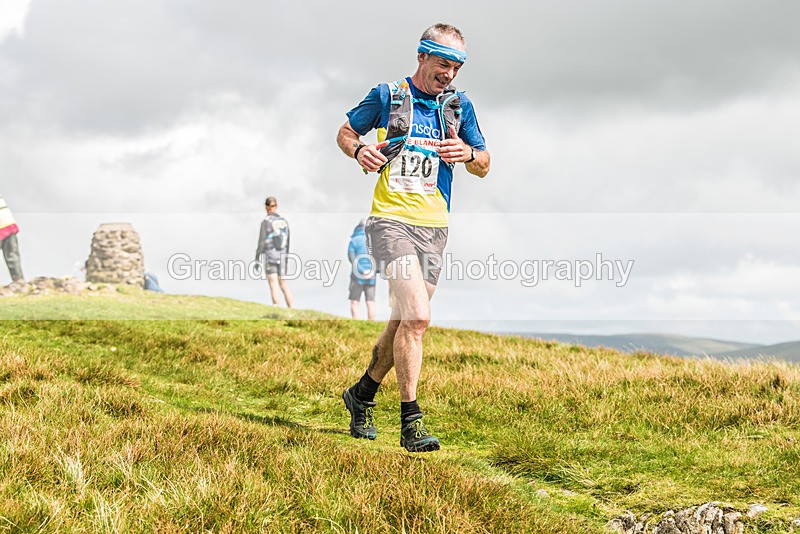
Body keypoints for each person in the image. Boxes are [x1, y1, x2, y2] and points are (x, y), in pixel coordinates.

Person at [336, 23, 490, 452]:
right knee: (418, 318)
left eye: (457, 66)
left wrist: (470, 155)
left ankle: (362, 394)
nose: (450, 74)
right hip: (390, 220)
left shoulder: (459, 106)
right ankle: (411, 421)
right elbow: (346, 132)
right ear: (422, 56)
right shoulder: (388, 96)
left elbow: (485, 162)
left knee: (405, 321)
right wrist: (358, 150)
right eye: (444, 63)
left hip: (434, 226)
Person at [255, 196, 293, 308]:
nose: (271, 208)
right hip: (282, 256)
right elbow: (288, 240)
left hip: (270, 255)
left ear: (266, 207)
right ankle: (291, 309)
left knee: (273, 282)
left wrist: (257, 256)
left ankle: (276, 305)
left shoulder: (266, 222)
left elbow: (261, 241)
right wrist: (286, 256)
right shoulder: (284, 222)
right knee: (283, 284)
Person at [347, 219, 377, 320]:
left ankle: (356, 322)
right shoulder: (373, 241)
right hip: (371, 276)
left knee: (355, 302)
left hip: (357, 276)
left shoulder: (353, 241)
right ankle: (372, 324)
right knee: (370, 302)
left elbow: (352, 258)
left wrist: (361, 270)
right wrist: (371, 271)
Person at [0, 194, 24, 283]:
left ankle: (19, 282)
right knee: (12, 257)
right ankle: (19, 282)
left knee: (12, 257)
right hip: (8, 223)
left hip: (5, 224)